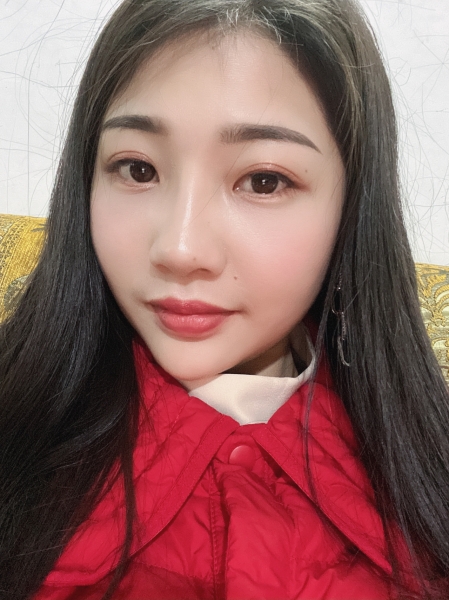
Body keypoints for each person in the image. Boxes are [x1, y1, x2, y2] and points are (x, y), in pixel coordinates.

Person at [0, 0, 448, 598]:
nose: (180, 249)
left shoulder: (422, 467)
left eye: (264, 180)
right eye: (137, 169)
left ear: (351, 210)